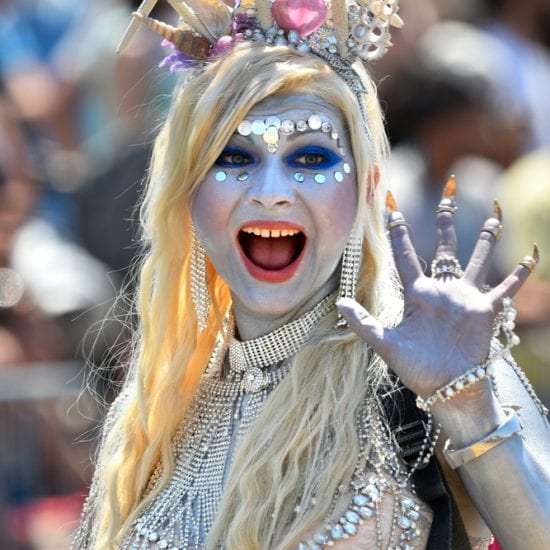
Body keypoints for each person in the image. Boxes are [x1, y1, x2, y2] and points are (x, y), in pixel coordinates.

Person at [73, 1, 550, 548]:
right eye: (234, 158)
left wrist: (467, 405)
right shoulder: (158, 409)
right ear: (187, 191)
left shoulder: (425, 363)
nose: (271, 191)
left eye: (311, 159)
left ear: (366, 186)